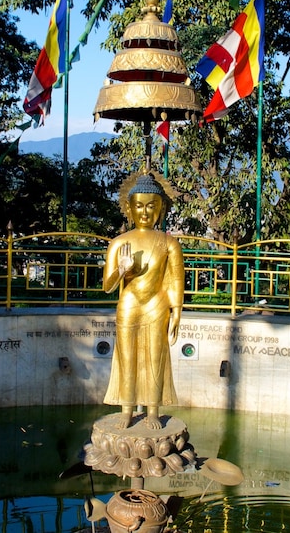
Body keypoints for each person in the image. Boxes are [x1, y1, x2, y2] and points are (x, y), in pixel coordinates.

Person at [102, 173, 185, 430]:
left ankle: (152, 411)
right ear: (129, 208)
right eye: (139, 205)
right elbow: (107, 286)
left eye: (152, 206)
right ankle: (126, 409)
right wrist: (122, 270)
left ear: (161, 208)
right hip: (129, 305)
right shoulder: (119, 243)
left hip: (157, 306)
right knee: (127, 358)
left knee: (155, 358)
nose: (145, 212)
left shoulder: (168, 243)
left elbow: (174, 280)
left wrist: (177, 312)